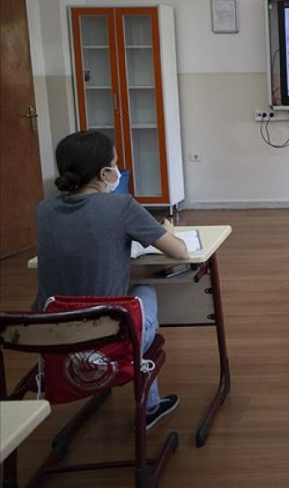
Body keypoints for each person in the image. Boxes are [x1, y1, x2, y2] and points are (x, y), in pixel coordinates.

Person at [34, 130, 189, 429]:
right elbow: (180, 252)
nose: (118, 170)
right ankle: (149, 407)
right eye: (115, 164)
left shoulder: (43, 210)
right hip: (107, 339)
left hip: (47, 337)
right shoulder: (121, 207)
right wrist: (166, 229)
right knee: (143, 289)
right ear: (105, 173)